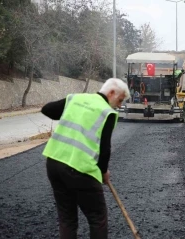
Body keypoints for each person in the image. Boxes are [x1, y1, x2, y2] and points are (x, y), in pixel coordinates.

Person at [41, 78, 130, 239]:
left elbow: (47, 109)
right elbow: (104, 150)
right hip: (80, 170)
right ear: (111, 93)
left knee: (67, 218)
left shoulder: (75, 98)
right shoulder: (106, 112)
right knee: (97, 218)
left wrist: (72, 114)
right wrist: (103, 172)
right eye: (120, 100)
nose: (119, 105)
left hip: (54, 164)